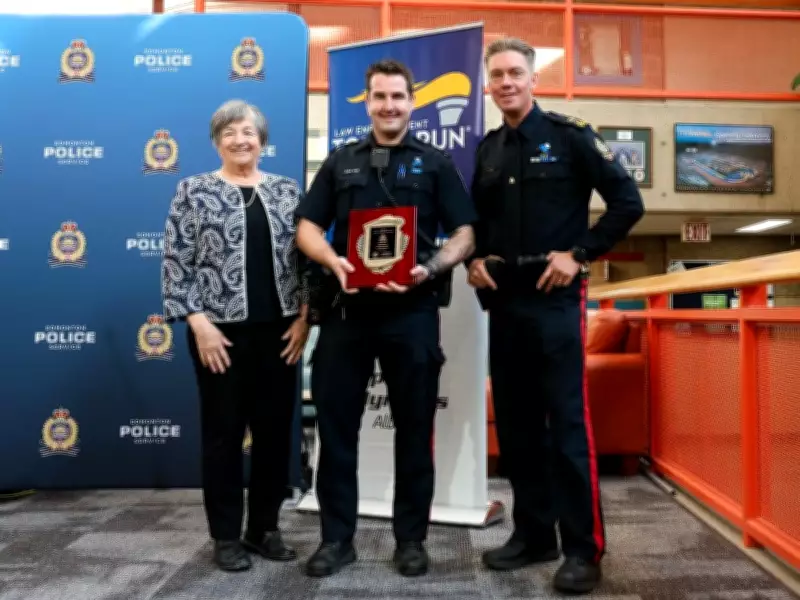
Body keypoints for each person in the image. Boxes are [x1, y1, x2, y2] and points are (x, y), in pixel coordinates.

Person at [466, 38, 645, 594]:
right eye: (497, 75)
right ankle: (534, 535)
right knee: (517, 426)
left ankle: (584, 549)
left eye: (515, 73)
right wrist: (473, 260)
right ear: (488, 85)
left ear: (533, 79)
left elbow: (628, 202)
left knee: (567, 425)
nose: (506, 83)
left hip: (555, 300)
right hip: (505, 303)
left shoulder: (571, 136)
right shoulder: (489, 149)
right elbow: (478, 222)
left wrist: (580, 254)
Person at [295, 59, 477, 578]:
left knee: (414, 431)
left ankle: (411, 540)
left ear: (412, 102)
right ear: (368, 102)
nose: (389, 105)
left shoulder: (435, 163)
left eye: (398, 96)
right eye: (379, 96)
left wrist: (431, 268)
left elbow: (466, 233)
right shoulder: (341, 162)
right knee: (337, 432)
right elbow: (307, 227)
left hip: (412, 313)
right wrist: (333, 261)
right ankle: (336, 540)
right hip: (347, 313)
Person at [161, 99, 310, 572]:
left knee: (274, 435)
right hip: (218, 336)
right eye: (229, 133)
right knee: (223, 435)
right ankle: (225, 535)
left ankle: (264, 528)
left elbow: (305, 261)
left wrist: (305, 318)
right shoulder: (193, 190)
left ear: (262, 140)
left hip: (280, 333)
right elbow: (176, 261)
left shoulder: (288, 191)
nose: (240, 140)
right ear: (216, 142)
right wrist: (197, 322)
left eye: (248, 132)